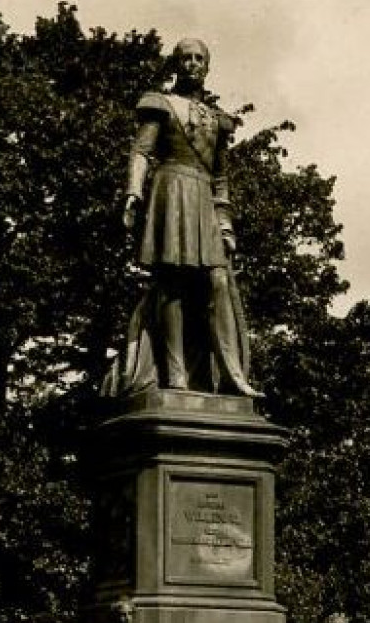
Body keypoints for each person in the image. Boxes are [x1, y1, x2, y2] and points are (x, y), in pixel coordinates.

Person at [105, 38, 258, 397]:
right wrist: (132, 192)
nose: (191, 64)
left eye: (198, 58)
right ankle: (174, 374)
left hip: (203, 199)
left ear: (206, 66)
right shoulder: (160, 103)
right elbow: (141, 151)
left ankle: (230, 374)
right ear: (176, 64)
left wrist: (225, 225)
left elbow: (220, 179)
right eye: (185, 58)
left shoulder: (218, 121)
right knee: (172, 283)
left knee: (217, 283)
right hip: (170, 190)